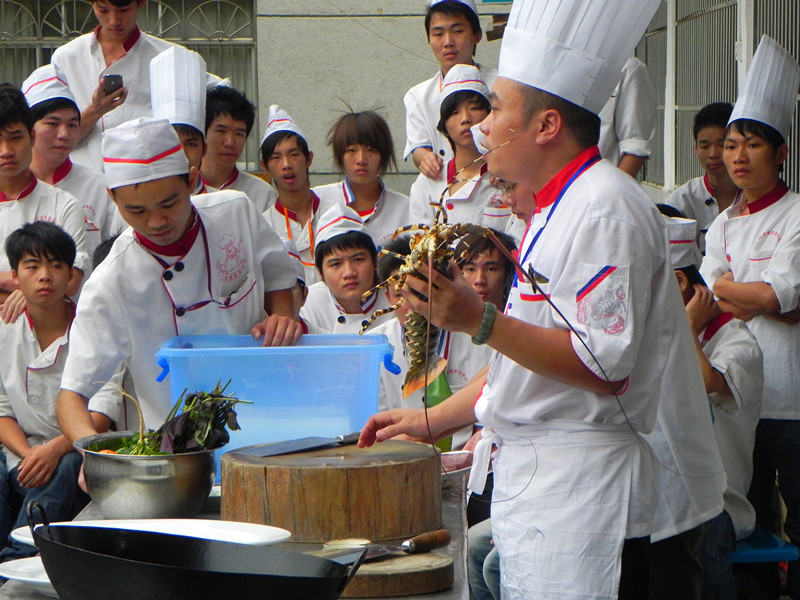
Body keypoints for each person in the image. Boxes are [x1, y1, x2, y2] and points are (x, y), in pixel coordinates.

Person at [358, 0, 684, 598]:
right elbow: (524, 359)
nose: (480, 127)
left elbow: (602, 364)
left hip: (585, 492)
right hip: (543, 488)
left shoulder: (603, 206)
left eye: (497, 107)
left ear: (546, 125)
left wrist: (476, 319)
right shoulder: (550, 208)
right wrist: (429, 421)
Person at [55, 117, 301, 444]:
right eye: (137, 210)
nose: (156, 221)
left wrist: (282, 317)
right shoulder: (110, 283)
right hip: (175, 447)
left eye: (169, 203)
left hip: (266, 414)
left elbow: (279, 277)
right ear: (113, 198)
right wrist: (93, 451)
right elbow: (71, 396)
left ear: (192, 180)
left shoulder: (235, 212)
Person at [700, 35, 800, 600]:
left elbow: (775, 294)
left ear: (779, 153)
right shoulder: (721, 225)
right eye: (731, 145)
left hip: (791, 395)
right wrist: (756, 296)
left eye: (752, 145)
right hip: (739, 401)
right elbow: (717, 297)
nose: (737, 156)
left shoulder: (797, 214)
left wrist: (746, 294)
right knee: (748, 513)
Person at [660, 211, 763, 600]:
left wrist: (687, 327)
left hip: (719, 502)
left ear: (679, 281)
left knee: (700, 536)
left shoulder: (735, 339)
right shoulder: (654, 335)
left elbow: (705, 382)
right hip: (662, 490)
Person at [0, 222, 117, 562]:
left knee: (67, 464)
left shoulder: (97, 332)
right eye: (32, 267)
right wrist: (30, 455)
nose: (45, 276)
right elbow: (2, 411)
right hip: (21, 453)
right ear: (15, 276)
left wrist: (54, 449)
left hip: (76, 452)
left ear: (71, 275)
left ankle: (17, 558)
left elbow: (102, 412)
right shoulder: (5, 331)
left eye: (55, 266)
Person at [50, 0, 179, 171]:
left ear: (141, 3)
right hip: (82, 178)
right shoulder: (66, 58)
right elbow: (52, 139)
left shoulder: (167, 58)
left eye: (123, 10)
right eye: (103, 10)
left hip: (144, 177)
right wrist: (95, 110)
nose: (114, 21)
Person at [0, 83, 89, 307]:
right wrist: (33, 290)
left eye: (15, 138)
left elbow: (70, 283)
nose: (6, 151)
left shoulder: (65, 205)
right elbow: (54, 287)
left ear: (32, 137)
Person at [409, 64, 521, 241]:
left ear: (490, 116)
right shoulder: (427, 183)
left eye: (474, 108)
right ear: (444, 127)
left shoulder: (510, 178)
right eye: (455, 112)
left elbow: (519, 239)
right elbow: (418, 244)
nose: (465, 119)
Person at [23, 64, 115, 259]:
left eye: (72, 125)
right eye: (52, 124)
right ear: (28, 129)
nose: (64, 134)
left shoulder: (100, 187)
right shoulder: (10, 188)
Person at [404, 0, 496, 181]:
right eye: (438, 34)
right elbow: (418, 147)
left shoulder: (501, 84)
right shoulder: (418, 96)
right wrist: (426, 159)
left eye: (457, 31)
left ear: (476, 35)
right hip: (445, 184)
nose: (448, 42)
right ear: (429, 39)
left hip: (496, 183)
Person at [261, 105, 338, 286]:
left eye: (294, 154)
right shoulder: (263, 226)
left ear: (309, 159)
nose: (286, 164)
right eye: (276, 158)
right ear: (265, 166)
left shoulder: (335, 214)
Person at [313, 111, 409, 250]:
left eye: (371, 150)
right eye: (351, 150)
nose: (361, 160)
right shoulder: (317, 201)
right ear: (340, 155)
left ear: (383, 156)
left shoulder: (406, 208)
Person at [299, 204, 391, 334]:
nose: (349, 273)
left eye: (358, 260)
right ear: (320, 272)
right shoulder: (308, 305)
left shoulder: (396, 296)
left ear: (375, 262)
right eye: (336, 264)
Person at [665, 103, 739, 253]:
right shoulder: (682, 201)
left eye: (722, 145)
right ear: (696, 149)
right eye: (705, 147)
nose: (713, 154)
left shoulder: (753, 196)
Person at [199, 84, 277, 212]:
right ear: (203, 133)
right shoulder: (182, 189)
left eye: (239, 134)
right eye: (221, 131)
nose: (230, 142)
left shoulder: (261, 194)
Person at [151, 45, 209, 193]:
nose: (182, 154)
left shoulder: (226, 203)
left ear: (204, 149)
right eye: (173, 144)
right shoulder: (138, 203)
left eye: (191, 144)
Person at [598, 55, 657, 178]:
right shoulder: (557, 62)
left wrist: (612, 189)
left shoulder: (628, 68)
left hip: (602, 183)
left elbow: (635, 148)